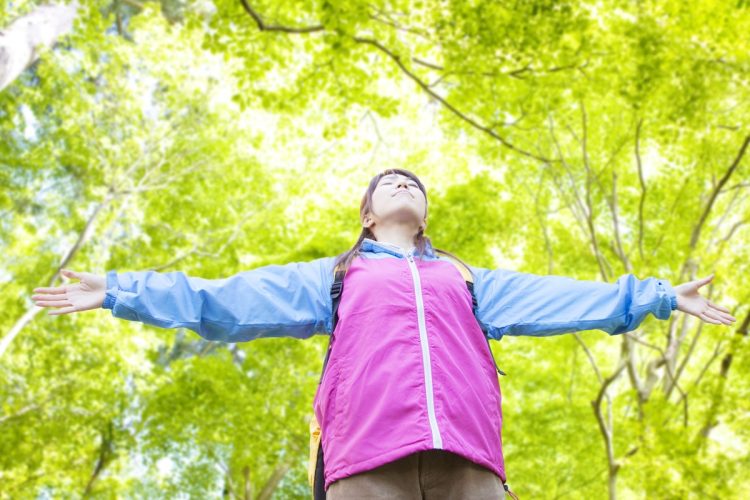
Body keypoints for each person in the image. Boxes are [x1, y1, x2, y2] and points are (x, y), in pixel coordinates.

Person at [32, 169, 735, 499]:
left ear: (423, 215)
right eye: (388, 182)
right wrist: (119, 291)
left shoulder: (464, 278)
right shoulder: (339, 276)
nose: (403, 184)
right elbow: (221, 301)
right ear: (367, 215)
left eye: (413, 182)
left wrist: (661, 297)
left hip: (469, 465)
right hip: (367, 465)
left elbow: (561, 297)